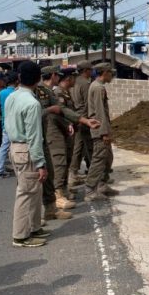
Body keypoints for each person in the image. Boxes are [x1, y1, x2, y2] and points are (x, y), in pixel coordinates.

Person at [36, 66, 100, 218]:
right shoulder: (40, 90)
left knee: (60, 163)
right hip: (50, 130)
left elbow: (62, 111)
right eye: (57, 75)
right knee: (58, 162)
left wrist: (80, 121)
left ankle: (57, 196)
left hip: (57, 128)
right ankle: (57, 197)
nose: (60, 78)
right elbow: (47, 112)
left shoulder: (50, 91)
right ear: (53, 75)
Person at [5, 62, 50, 248]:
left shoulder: (12, 97)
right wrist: (41, 163)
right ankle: (21, 236)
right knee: (26, 193)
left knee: (33, 190)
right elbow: (34, 136)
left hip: (15, 146)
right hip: (27, 149)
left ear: (20, 78)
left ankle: (34, 227)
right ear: (38, 79)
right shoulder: (32, 103)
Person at [84, 63, 118, 202]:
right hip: (99, 129)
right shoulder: (98, 88)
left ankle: (102, 184)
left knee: (108, 158)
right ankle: (90, 189)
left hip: (101, 128)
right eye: (110, 73)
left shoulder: (97, 86)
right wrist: (104, 132)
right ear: (104, 72)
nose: (112, 75)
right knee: (98, 160)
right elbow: (99, 111)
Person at [51, 67, 78, 201]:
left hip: (68, 132)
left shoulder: (66, 92)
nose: (75, 80)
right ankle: (58, 192)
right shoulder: (59, 93)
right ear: (68, 78)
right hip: (61, 132)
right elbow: (61, 112)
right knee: (60, 163)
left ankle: (63, 188)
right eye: (74, 77)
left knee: (67, 161)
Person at [68, 60, 93, 187]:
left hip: (74, 116)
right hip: (83, 118)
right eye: (90, 69)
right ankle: (74, 173)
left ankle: (85, 170)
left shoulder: (73, 82)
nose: (91, 71)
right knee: (82, 146)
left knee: (80, 146)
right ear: (85, 70)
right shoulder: (85, 84)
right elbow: (88, 104)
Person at [0, 71, 18, 179]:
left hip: (5, 122)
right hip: (16, 123)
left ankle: (0, 169)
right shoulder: (17, 93)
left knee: (4, 146)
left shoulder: (1, 93)